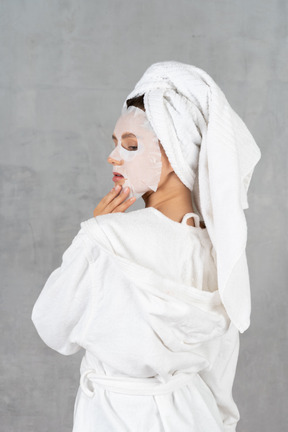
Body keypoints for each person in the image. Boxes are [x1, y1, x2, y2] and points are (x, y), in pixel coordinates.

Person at [31, 61, 261, 432]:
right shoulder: (221, 252)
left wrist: (88, 237)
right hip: (195, 416)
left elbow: (52, 325)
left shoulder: (107, 238)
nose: (114, 156)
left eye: (131, 145)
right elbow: (221, 376)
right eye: (115, 143)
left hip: (118, 419)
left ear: (175, 151)